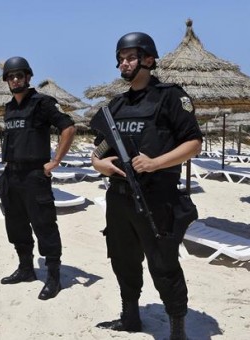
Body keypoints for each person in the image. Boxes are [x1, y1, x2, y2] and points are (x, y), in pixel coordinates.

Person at [90, 32, 203, 339]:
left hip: (156, 197)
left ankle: (177, 328)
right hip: (119, 197)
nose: (124, 63)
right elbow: (99, 149)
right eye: (120, 59)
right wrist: (98, 164)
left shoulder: (170, 96)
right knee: (123, 259)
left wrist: (155, 163)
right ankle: (130, 317)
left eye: (130, 57)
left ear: (149, 60)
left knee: (163, 264)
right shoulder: (116, 104)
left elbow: (194, 143)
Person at [0, 57, 76, 301]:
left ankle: (53, 277)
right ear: (7, 81)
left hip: (34, 174)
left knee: (44, 225)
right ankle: (26, 268)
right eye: (11, 77)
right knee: (16, 225)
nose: (15, 80)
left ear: (28, 77)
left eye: (20, 75)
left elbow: (68, 127)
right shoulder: (9, 108)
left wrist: (55, 161)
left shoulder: (42, 103)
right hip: (12, 174)